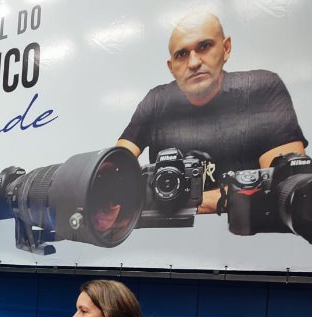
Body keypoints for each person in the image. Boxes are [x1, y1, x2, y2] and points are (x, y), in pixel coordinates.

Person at [116, 11, 308, 214]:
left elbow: (285, 187)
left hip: (244, 233)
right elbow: (113, 169)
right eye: (181, 54)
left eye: (204, 46)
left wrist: (172, 201)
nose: (193, 63)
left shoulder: (261, 89)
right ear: (171, 67)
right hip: (171, 237)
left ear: (226, 48)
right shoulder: (156, 101)